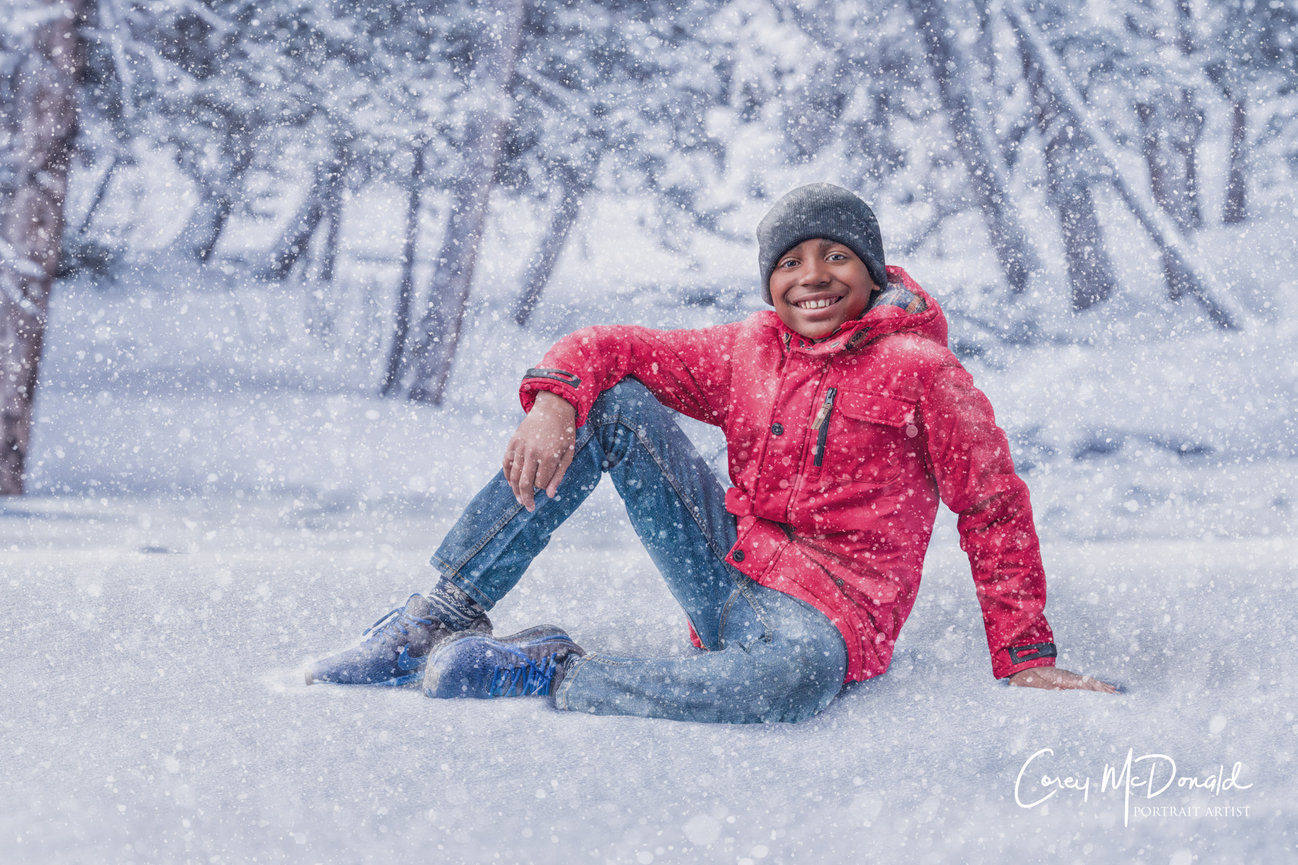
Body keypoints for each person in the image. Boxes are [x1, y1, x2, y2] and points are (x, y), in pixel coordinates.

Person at [306, 183, 1117, 723]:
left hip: (829, 621)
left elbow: (992, 504)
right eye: (790, 262)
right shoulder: (748, 349)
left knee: (794, 682)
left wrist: (1024, 657)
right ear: (769, 282)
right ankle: (439, 613)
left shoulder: (921, 371)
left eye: (835, 256)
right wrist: (555, 397)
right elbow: (611, 344)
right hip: (727, 572)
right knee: (610, 400)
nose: (813, 277)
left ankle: (553, 671)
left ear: (871, 271)